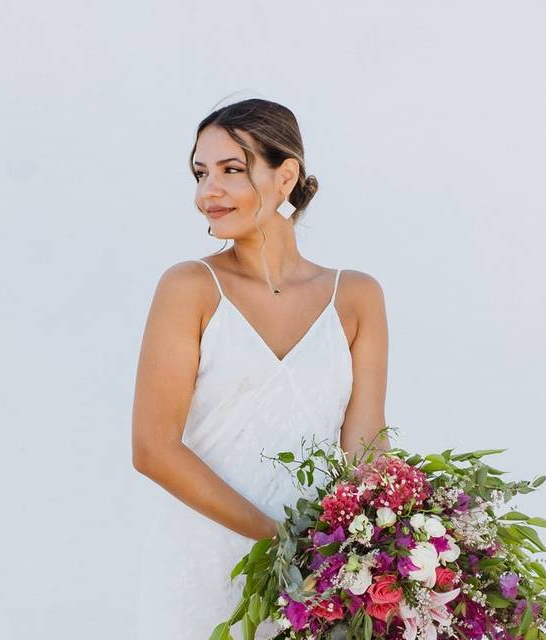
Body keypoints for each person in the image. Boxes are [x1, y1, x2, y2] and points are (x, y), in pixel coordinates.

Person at [130, 98, 390, 639]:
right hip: (207, 567)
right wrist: (281, 542)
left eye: (231, 170)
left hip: (324, 579)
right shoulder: (189, 288)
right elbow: (154, 448)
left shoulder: (357, 296)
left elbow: (366, 447)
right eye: (201, 173)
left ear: (285, 175)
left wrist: (406, 544)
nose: (208, 192)